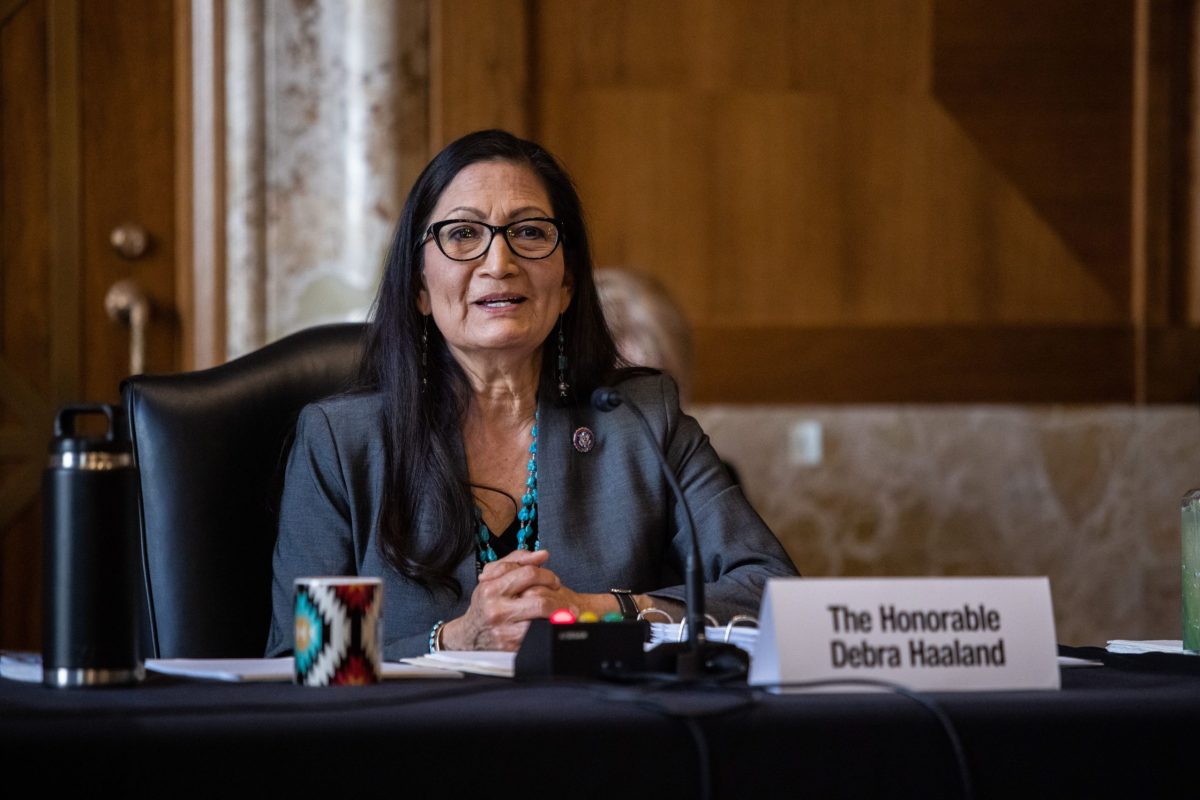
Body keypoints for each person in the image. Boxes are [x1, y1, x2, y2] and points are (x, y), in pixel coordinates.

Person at [265, 129, 798, 660]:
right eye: (463, 234)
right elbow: (300, 660)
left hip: (599, 733)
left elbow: (773, 593)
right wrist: (454, 638)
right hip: (415, 737)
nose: (499, 262)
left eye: (530, 232)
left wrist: (591, 611)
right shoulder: (342, 444)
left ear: (566, 284)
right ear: (421, 288)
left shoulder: (641, 420)